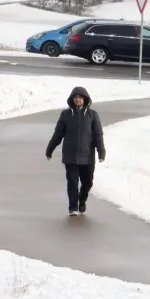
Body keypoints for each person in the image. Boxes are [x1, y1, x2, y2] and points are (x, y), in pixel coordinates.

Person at [45, 86, 104, 215]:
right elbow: (58, 134)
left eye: (80, 97)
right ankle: (73, 208)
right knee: (72, 182)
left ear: (85, 99)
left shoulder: (92, 115)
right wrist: (50, 149)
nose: (78, 99)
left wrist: (101, 152)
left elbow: (98, 135)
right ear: (72, 99)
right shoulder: (66, 115)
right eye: (75, 97)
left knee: (87, 182)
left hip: (87, 156)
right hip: (70, 156)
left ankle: (82, 200)